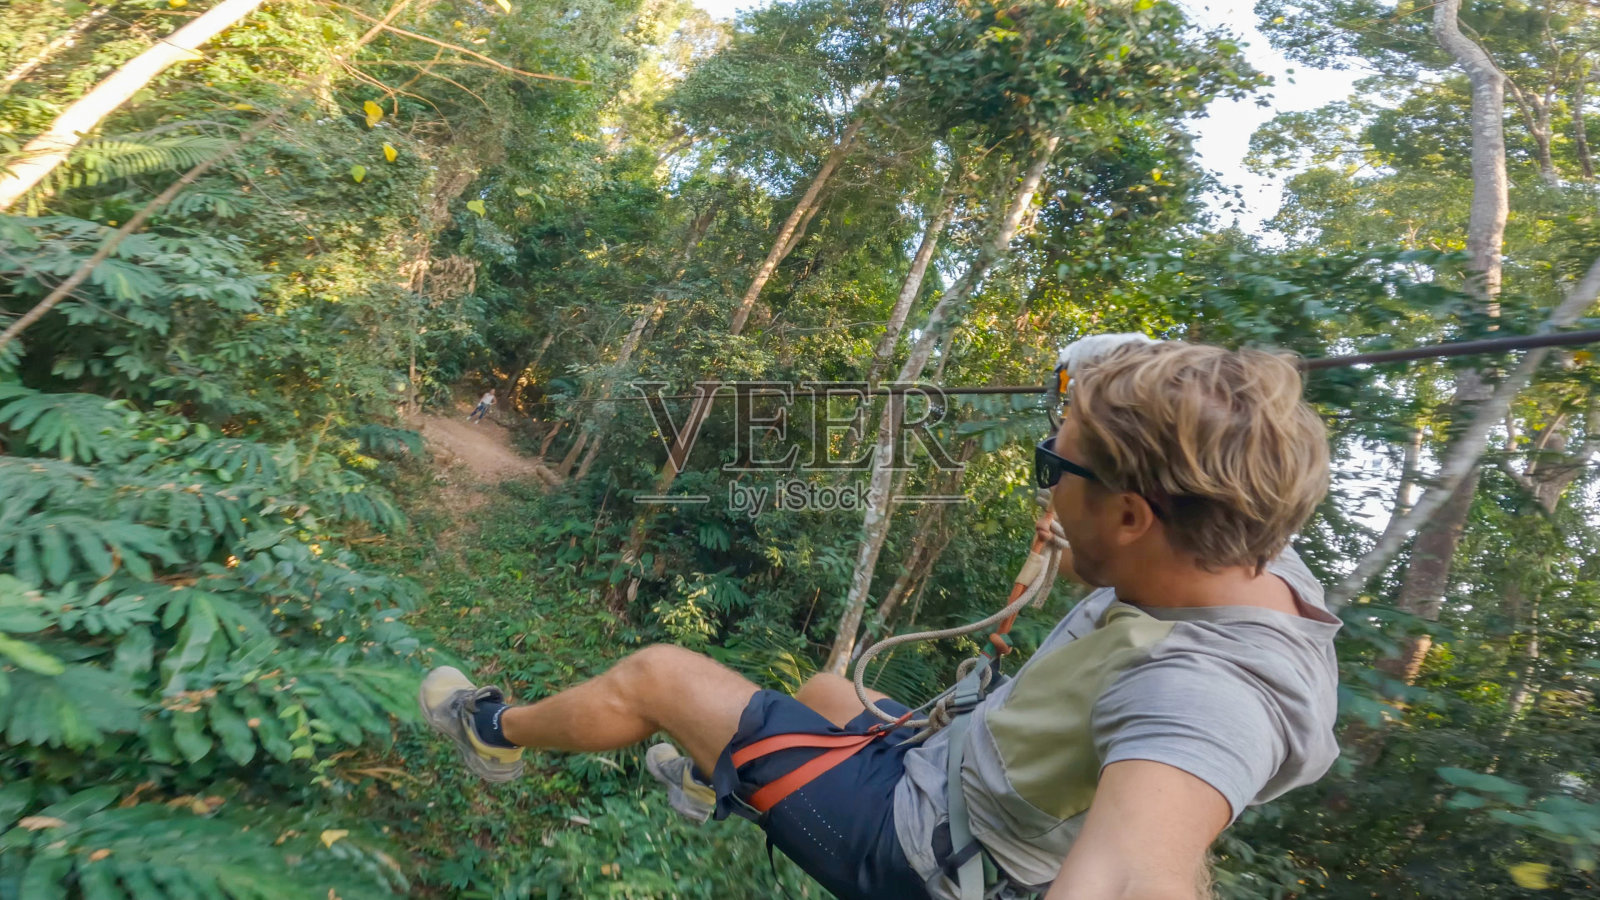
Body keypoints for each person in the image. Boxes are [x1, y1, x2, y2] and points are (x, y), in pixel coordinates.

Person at [418, 336, 1341, 900]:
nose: (1046, 488)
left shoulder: (1214, 694)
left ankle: (491, 731)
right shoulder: (1234, 528)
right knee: (828, 686)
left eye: (1052, 468)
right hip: (952, 764)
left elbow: (1142, 874)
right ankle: (712, 776)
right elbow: (1145, 382)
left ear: (1133, 513)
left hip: (927, 851)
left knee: (658, 675)